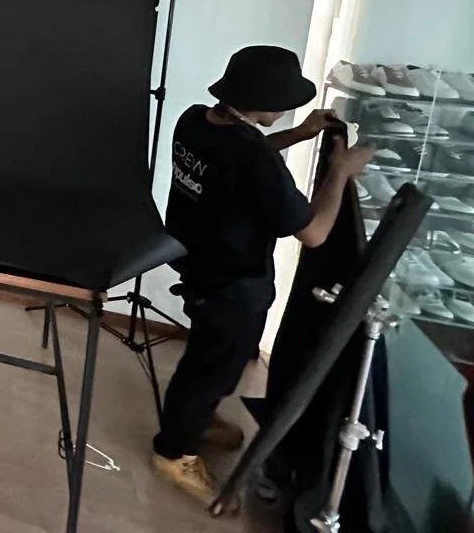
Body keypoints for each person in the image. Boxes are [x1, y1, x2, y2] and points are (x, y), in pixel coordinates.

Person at [150, 45, 375, 508]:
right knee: (213, 368)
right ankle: (173, 452)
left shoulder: (195, 121)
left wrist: (299, 134)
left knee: (208, 357)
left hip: (196, 264)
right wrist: (340, 173)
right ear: (268, 101)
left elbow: (243, 157)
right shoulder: (254, 160)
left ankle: (195, 416)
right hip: (234, 284)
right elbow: (313, 232)